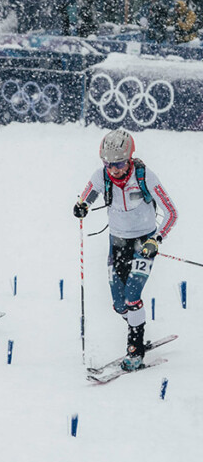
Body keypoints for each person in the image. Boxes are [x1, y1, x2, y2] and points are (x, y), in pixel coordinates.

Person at [73, 129, 177, 371]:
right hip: (117, 243)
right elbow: (86, 197)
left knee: (132, 295)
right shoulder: (102, 176)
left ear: (129, 158)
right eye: (108, 164)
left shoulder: (145, 177)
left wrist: (157, 239)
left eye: (118, 163)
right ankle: (135, 323)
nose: (113, 169)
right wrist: (81, 207)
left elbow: (172, 212)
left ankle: (135, 346)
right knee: (119, 304)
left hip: (144, 243)